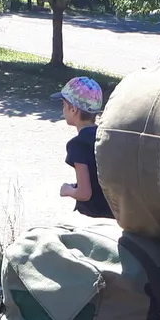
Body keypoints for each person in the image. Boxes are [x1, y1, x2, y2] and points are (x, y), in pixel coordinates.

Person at [54, 75, 112, 220]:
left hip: (92, 217)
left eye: (63, 105)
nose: (63, 110)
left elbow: (84, 194)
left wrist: (67, 190)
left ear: (73, 109)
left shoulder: (78, 144)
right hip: (113, 213)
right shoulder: (104, 136)